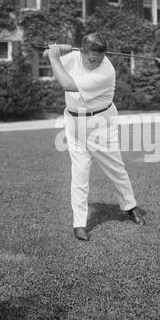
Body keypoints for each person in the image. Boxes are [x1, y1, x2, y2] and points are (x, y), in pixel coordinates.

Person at [47, 32, 146, 241]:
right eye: (92, 59)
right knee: (79, 174)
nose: (96, 63)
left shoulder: (106, 71)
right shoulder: (72, 56)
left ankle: (130, 207)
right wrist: (56, 50)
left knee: (115, 169)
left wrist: (55, 57)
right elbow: (48, 54)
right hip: (74, 124)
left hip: (101, 124)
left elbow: (67, 84)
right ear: (82, 52)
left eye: (100, 58)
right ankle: (79, 224)